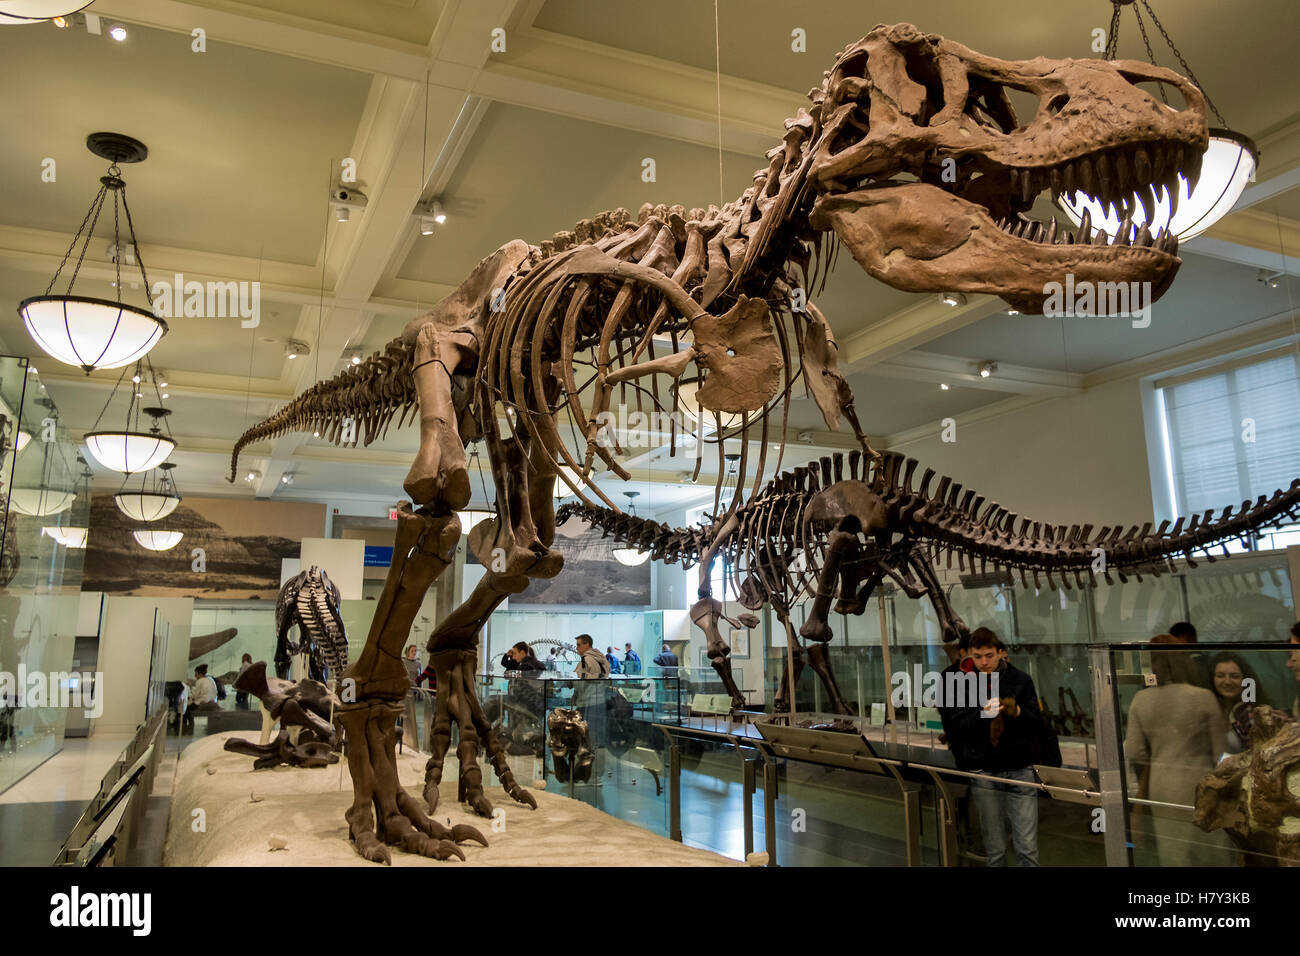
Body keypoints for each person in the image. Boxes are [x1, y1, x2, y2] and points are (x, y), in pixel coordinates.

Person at [947, 628, 1052, 867]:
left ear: (999, 653)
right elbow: (958, 725)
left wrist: (1017, 712)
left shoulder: (1021, 680)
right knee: (995, 849)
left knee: (1027, 848)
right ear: (970, 656)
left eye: (989, 655)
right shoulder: (962, 684)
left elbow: (1038, 722)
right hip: (985, 770)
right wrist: (983, 715)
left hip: (1020, 768)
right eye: (978, 656)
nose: (984, 662)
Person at [1124, 634, 1228, 865]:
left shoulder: (1141, 700)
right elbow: (1221, 755)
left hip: (1162, 785)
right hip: (1200, 781)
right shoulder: (1203, 698)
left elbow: (1134, 751)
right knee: (1209, 851)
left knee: (1173, 852)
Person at [1208, 651, 1265, 752]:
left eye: (1235, 676)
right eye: (1220, 676)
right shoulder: (1210, 708)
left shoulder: (1251, 712)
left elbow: (1258, 755)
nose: (1227, 682)